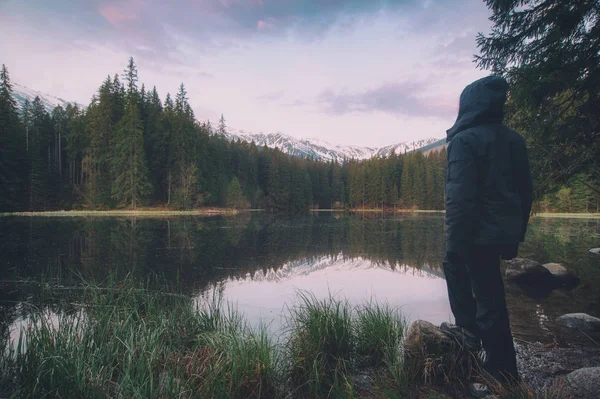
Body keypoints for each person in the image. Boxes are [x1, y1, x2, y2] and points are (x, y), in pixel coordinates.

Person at [440, 76, 533, 386]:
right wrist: (515, 235)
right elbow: (525, 192)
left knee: (463, 276)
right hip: (501, 232)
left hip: (476, 233)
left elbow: (459, 198)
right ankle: (498, 363)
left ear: (469, 104)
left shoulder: (464, 142)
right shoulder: (514, 140)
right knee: (491, 295)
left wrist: (454, 243)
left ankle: (489, 361)